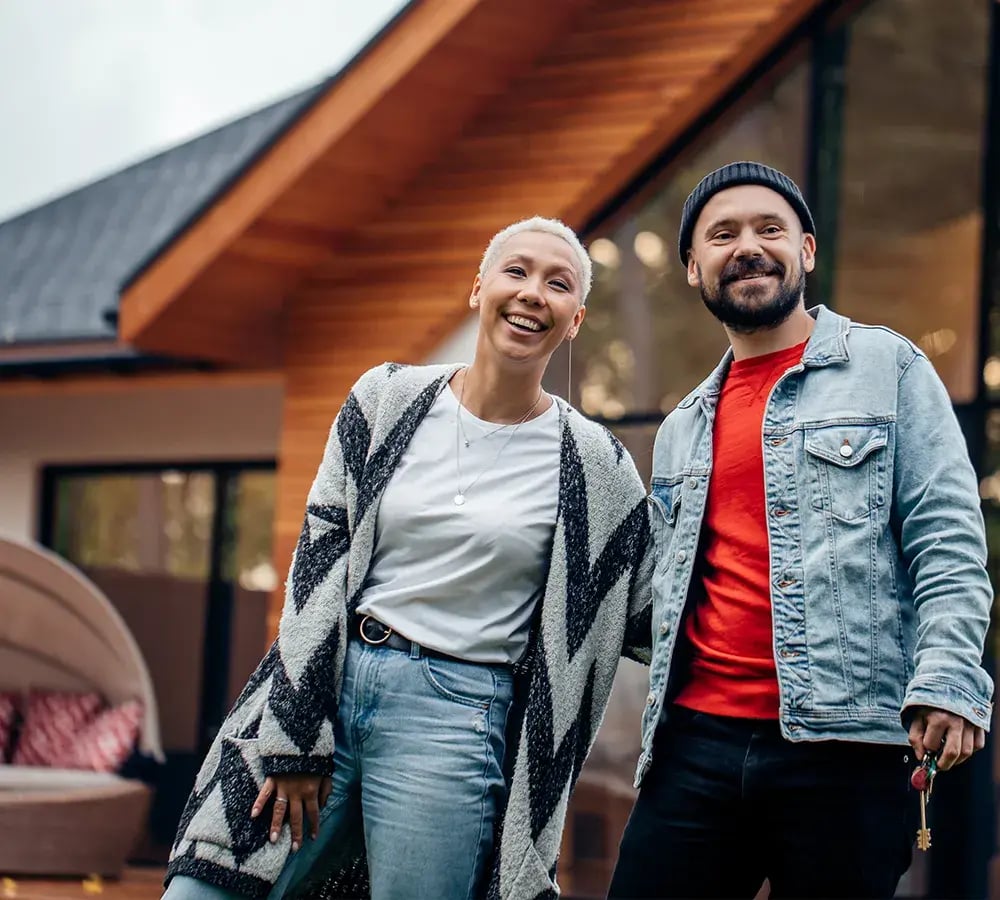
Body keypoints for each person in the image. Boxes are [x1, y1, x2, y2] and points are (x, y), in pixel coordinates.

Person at [162, 216, 653, 900]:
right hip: (329, 686)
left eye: (558, 283)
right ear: (477, 289)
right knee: (202, 889)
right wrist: (295, 731)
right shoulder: (385, 398)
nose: (532, 292)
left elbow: (654, 609)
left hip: (456, 718)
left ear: (575, 320)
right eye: (516, 271)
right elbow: (319, 559)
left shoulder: (598, 467)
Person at [609, 161, 994, 899]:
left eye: (769, 229)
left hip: (846, 750)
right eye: (722, 235)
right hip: (693, 744)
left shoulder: (889, 368)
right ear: (692, 267)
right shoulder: (685, 423)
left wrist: (948, 678)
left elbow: (947, 539)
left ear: (806, 251)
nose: (747, 247)